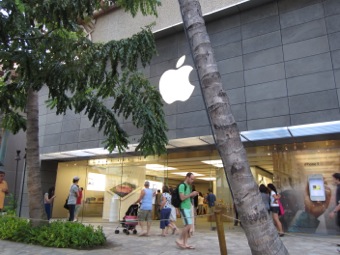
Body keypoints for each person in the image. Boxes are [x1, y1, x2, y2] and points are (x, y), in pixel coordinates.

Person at [175, 172, 198, 250]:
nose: (192, 180)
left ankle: (185, 243)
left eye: (193, 179)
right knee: (189, 225)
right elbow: (182, 198)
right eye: (191, 179)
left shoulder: (189, 186)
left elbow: (188, 198)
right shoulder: (182, 185)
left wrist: (192, 195)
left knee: (187, 226)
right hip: (184, 208)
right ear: (187, 177)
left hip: (188, 207)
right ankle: (180, 239)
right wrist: (191, 194)